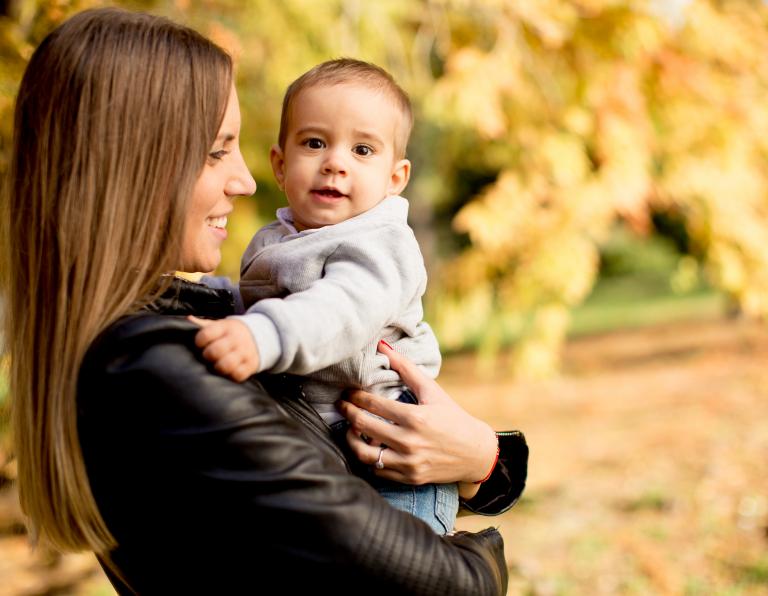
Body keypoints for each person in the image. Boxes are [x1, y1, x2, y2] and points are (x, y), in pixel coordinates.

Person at [1, 7, 528, 595]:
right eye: (217, 151)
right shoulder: (152, 369)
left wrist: (487, 462)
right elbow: (445, 588)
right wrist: (484, 554)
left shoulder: (159, 329)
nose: (248, 181)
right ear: (135, 165)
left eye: (363, 151)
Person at [192, 58, 457, 534]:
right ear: (280, 163)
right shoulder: (279, 239)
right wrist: (214, 301)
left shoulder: (381, 244)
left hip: (392, 462)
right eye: (315, 143)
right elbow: (261, 306)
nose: (335, 162)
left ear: (395, 178)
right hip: (323, 447)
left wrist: (260, 335)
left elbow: (337, 311)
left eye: (362, 150)